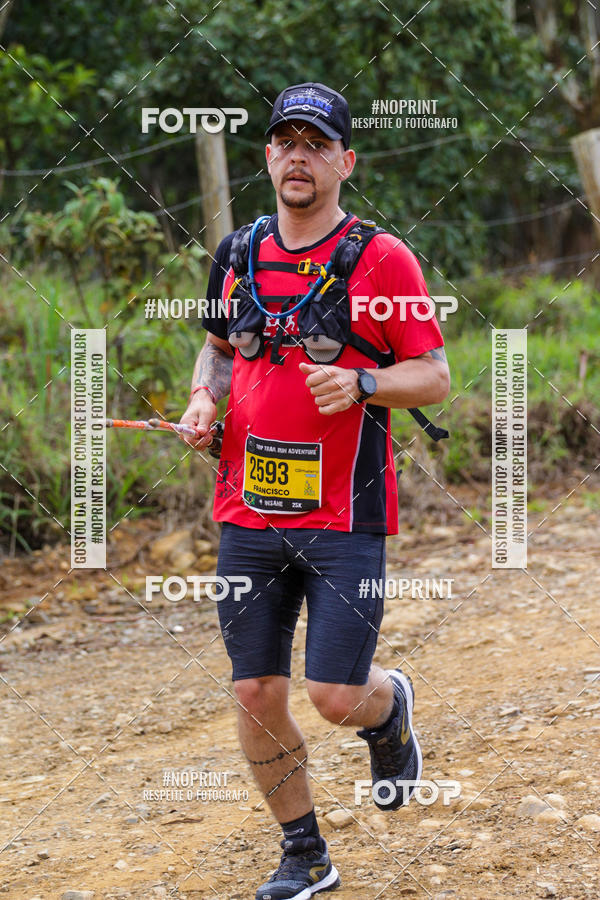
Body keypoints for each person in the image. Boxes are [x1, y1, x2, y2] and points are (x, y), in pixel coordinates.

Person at [181, 82, 450, 900]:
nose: (299, 156)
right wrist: (201, 401)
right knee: (255, 690)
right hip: (245, 510)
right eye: (285, 142)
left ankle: (388, 706)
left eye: (316, 143)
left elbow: (434, 376)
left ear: (344, 161)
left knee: (334, 695)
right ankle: (305, 856)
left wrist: (365, 381)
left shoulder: (382, 258)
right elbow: (220, 349)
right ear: (267, 156)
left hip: (346, 514)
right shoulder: (236, 252)